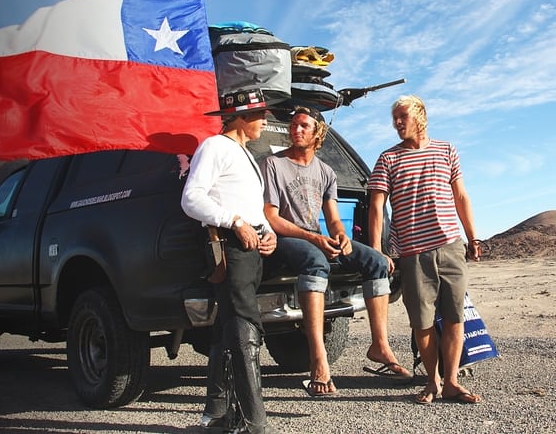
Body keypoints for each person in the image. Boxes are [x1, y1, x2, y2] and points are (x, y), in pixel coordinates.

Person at [260, 106, 410, 397]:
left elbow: (333, 219)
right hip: (285, 239)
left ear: (318, 132)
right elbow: (271, 217)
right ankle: (319, 360)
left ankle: (380, 346)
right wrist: (315, 240)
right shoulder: (273, 165)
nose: (296, 130)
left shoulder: (326, 171)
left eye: (304, 125)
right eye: (294, 125)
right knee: (315, 260)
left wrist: (340, 236)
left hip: (314, 238)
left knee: (376, 261)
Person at [367, 95, 483, 405]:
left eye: (402, 115)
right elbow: (376, 207)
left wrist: (472, 237)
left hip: (450, 246)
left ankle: (452, 382)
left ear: (421, 115)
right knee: (423, 321)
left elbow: (460, 196)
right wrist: (377, 249)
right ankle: (432, 381)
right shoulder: (387, 159)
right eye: (394, 118)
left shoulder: (446, 150)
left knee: (455, 317)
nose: (397, 122)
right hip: (413, 253)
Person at [182, 88, 281, 434]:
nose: (265, 119)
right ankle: (254, 423)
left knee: (229, 325)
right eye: (259, 114)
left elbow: (252, 207)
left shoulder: (245, 153)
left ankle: (216, 413)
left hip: (251, 247)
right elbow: (191, 199)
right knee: (243, 324)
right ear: (239, 117)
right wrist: (235, 222)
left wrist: (267, 230)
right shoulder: (214, 146)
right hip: (229, 245)